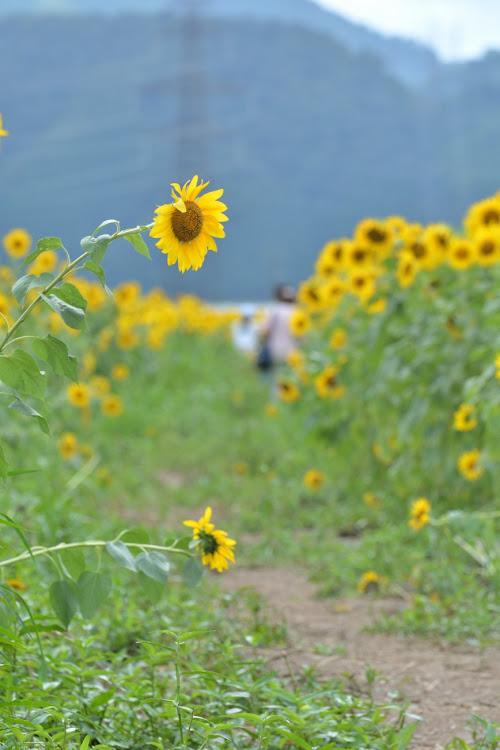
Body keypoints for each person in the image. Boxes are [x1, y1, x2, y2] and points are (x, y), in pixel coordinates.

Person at [257, 284, 296, 372]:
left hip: (275, 350)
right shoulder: (296, 311)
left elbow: (264, 331)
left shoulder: (274, 310)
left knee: (278, 376)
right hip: (294, 352)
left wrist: (262, 344)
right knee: (291, 376)